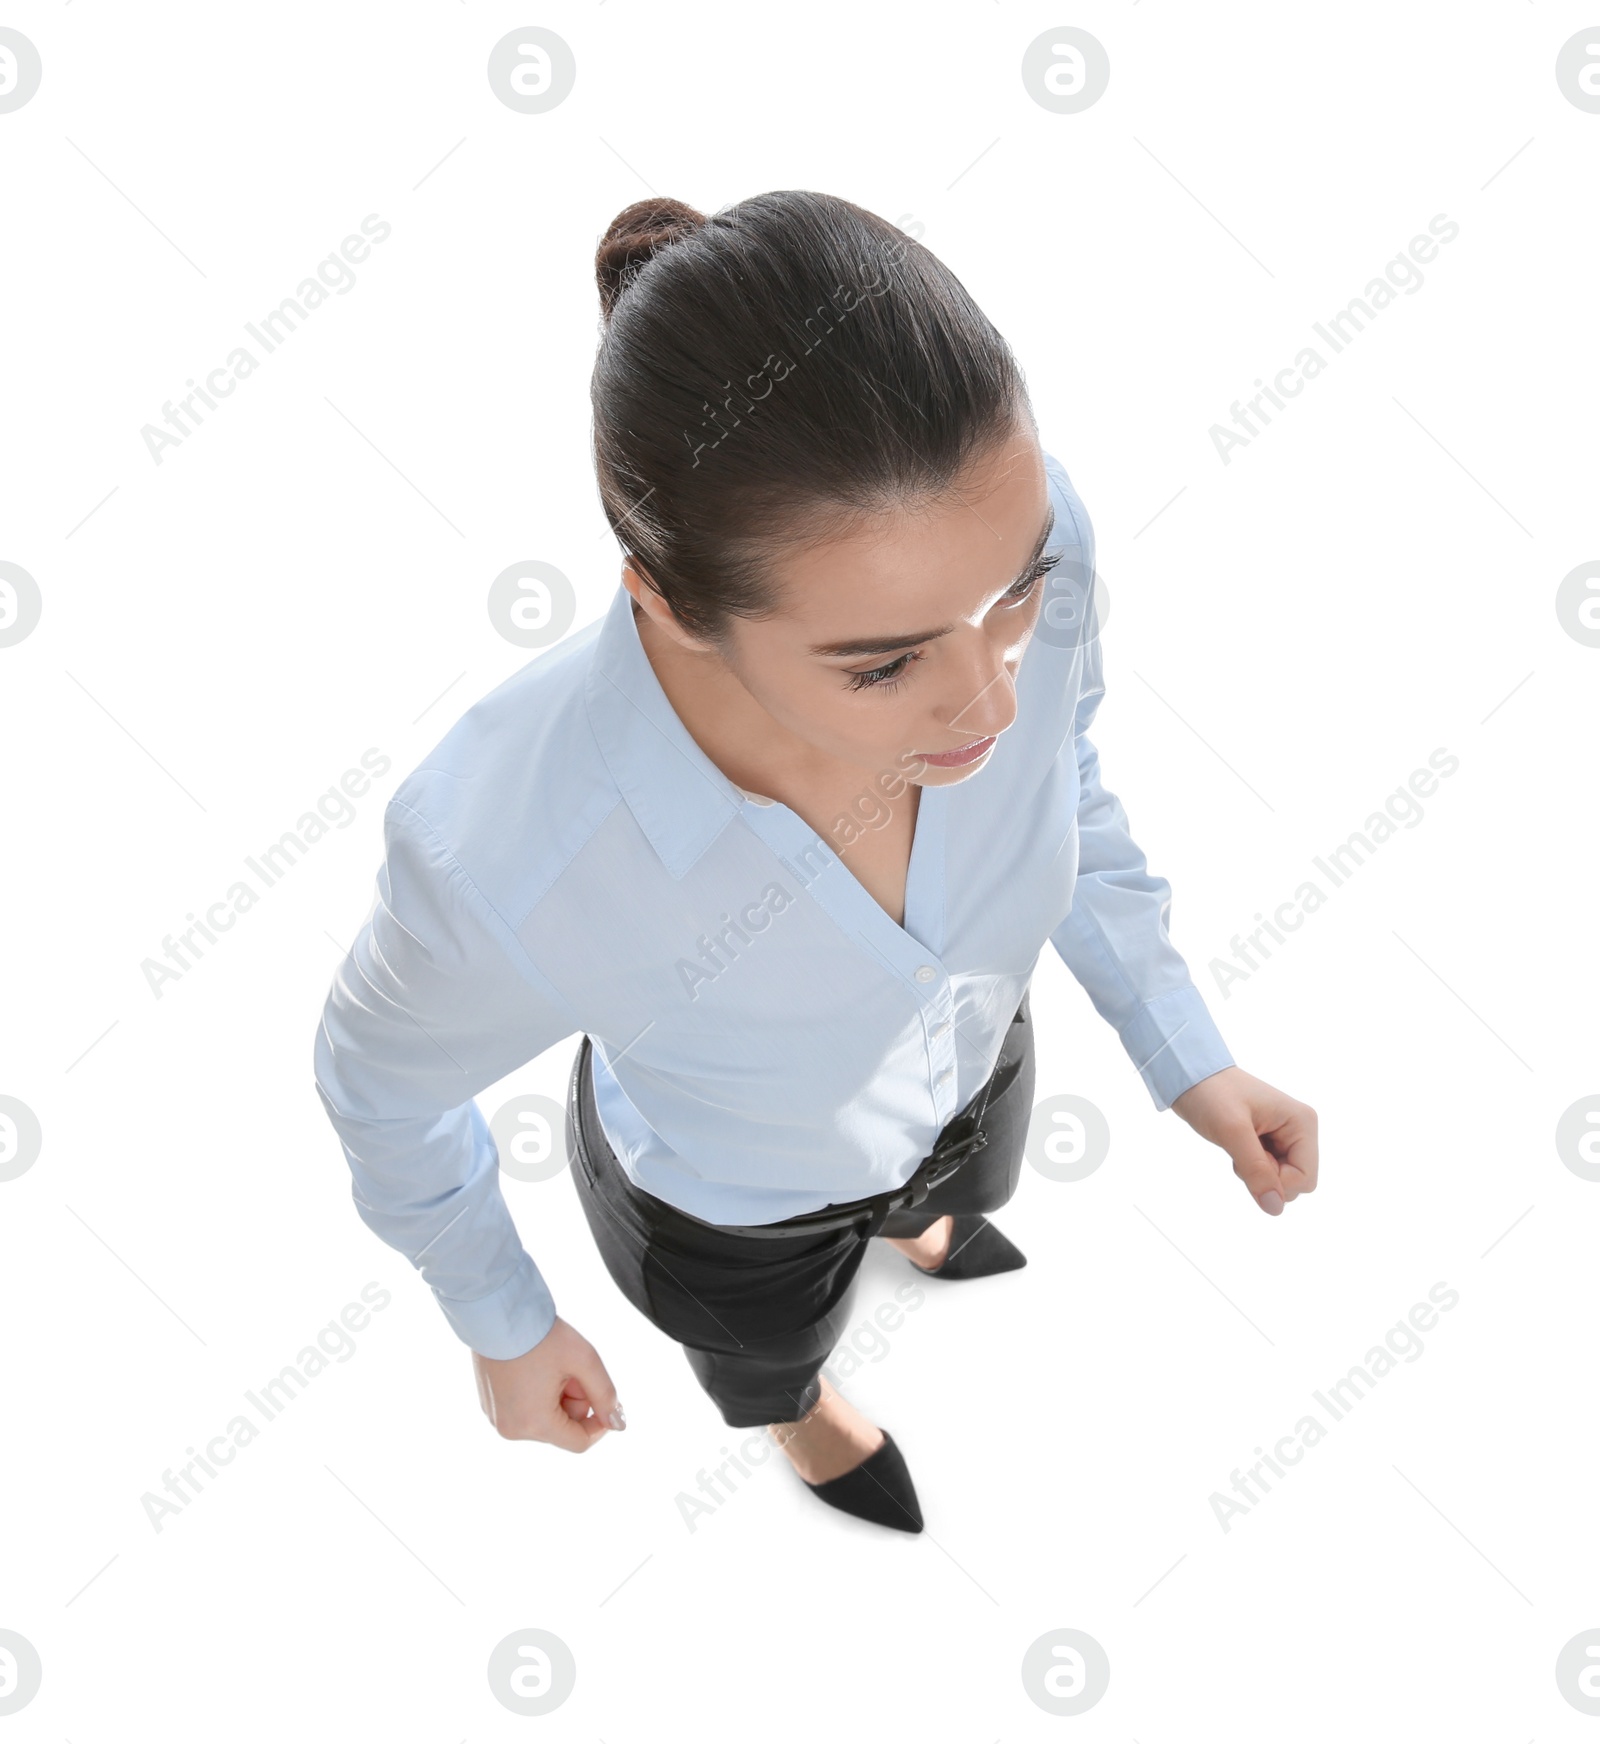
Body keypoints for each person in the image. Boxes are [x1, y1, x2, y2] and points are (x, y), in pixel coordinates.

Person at [312, 190, 1319, 1533]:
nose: (990, 705)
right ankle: (801, 1410)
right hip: (737, 1216)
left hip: (978, 1071)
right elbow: (377, 1089)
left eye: (1013, 598)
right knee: (765, 1346)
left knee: (967, 1181)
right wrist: (502, 1323)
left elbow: (1063, 777)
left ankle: (928, 1223)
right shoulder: (509, 849)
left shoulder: (1018, 532)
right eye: (885, 662)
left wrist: (1181, 1045)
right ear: (666, 600)